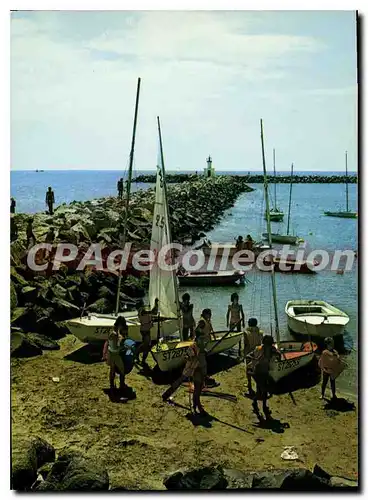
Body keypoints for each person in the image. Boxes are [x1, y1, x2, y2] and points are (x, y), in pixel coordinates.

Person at [248, 335, 281, 420]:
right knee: (261, 391)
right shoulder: (259, 349)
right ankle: (258, 404)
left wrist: (277, 355)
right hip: (258, 372)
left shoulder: (272, 350)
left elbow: (279, 355)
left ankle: (261, 405)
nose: (268, 346)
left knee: (264, 391)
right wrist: (255, 358)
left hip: (266, 372)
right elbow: (250, 355)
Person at [103, 316, 131, 393]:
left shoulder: (114, 331)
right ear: (120, 324)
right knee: (122, 370)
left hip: (111, 353)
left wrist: (104, 354)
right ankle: (121, 385)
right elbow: (116, 346)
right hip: (114, 354)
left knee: (112, 369)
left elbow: (108, 343)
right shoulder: (115, 334)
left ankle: (112, 386)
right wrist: (124, 347)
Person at [136, 298, 159, 368]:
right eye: (143, 304)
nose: (143, 305)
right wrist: (155, 304)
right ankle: (140, 359)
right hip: (145, 331)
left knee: (145, 345)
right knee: (146, 346)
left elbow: (153, 312)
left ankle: (137, 355)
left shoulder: (142, 311)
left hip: (145, 330)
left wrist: (156, 305)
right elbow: (152, 312)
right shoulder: (141, 311)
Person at [244, 318, 263, 395]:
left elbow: (246, 345)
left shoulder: (246, 333)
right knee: (257, 369)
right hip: (258, 352)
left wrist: (244, 354)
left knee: (248, 369)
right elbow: (261, 343)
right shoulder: (260, 332)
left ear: (249, 323)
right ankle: (259, 386)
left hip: (250, 352)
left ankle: (249, 385)